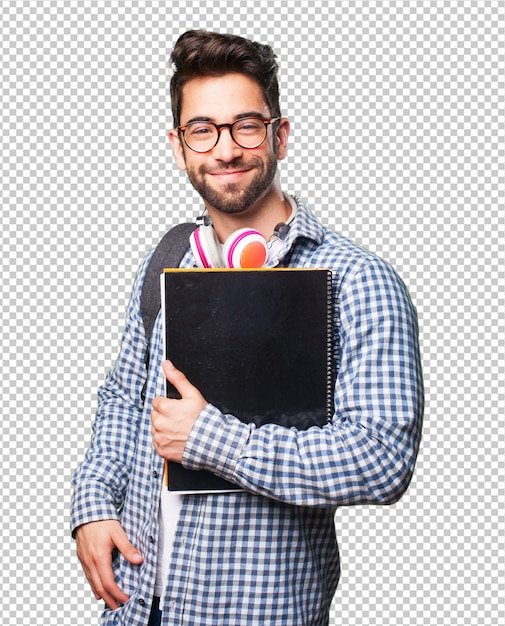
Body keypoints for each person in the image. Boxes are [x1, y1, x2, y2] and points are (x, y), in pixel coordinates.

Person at [71, 30, 424, 626]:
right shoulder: (166, 258)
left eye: (247, 126)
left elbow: (382, 457)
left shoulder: (358, 280)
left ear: (279, 135)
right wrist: (93, 503)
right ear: (180, 146)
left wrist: (211, 438)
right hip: (135, 607)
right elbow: (123, 399)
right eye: (203, 129)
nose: (225, 149)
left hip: (254, 613)